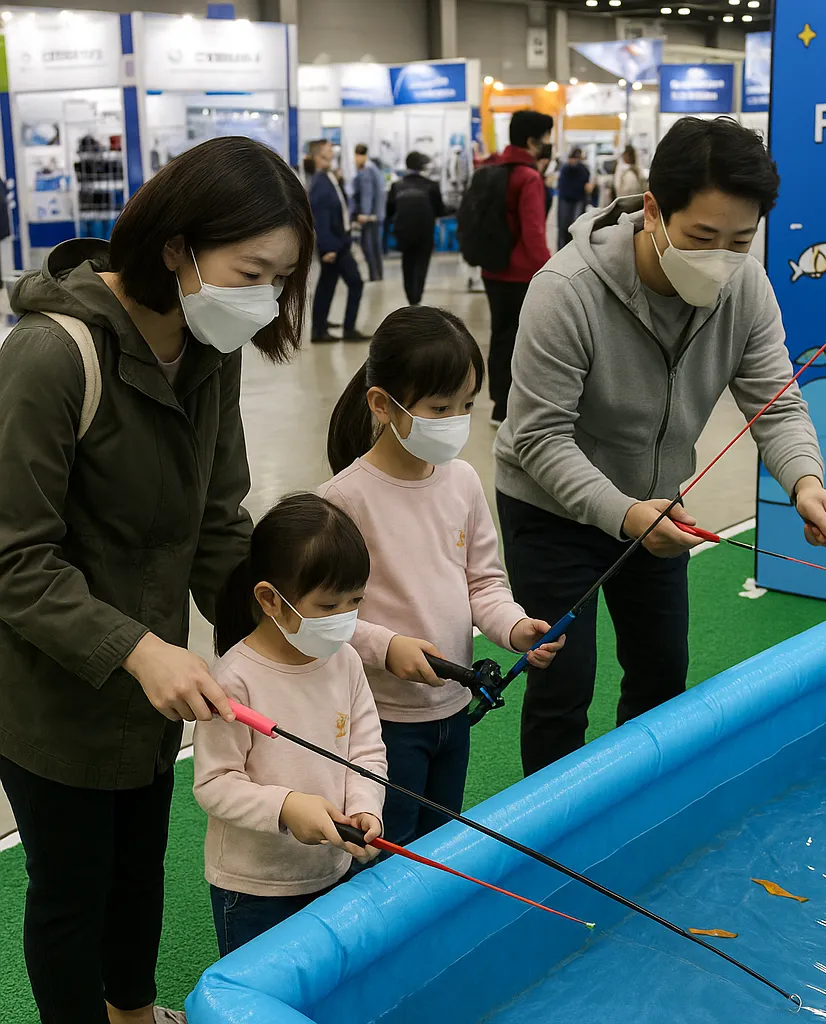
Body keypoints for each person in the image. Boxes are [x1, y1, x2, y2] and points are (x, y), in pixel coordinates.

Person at [0, 136, 314, 1024]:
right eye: (250, 271)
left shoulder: (212, 345)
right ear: (177, 246)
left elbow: (220, 517)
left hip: (156, 683)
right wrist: (137, 650)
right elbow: (14, 559)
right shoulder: (52, 357)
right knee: (71, 888)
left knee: (140, 862)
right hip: (50, 694)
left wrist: (280, 636)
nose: (263, 301)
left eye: (279, 281)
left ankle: (134, 1012)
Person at [494, 116, 826, 777]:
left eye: (740, 241)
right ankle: (548, 856)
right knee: (562, 686)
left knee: (662, 675)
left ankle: (640, 814)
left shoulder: (746, 288)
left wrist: (806, 484)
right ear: (654, 211)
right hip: (551, 508)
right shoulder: (566, 291)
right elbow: (537, 436)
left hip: (661, 511)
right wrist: (624, 513)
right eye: (701, 237)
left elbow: (776, 403)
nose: (721, 257)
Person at [321, 306, 563, 847]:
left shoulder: (464, 482)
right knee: (385, 852)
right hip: (380, 720)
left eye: (467, 405)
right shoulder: (343, 501)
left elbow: (484, 584)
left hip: (452, 708)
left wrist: (516, 627)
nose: (457, 419)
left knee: (438, 843)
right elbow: (323, 617)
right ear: (383, 405)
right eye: (439, 407)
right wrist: (388, 647)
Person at [193, 493, 387, 956]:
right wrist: (286, 807)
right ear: (270, 600)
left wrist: (366, 805)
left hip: (334, 871)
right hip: (254, 889)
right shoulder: (235, 680)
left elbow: (366, 750)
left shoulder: (346, 661)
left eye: (354, 602)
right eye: (327, 606)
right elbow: (214, 783)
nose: (343, 620)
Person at [483, 109, 553, 427]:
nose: (549, 144)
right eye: (547, 138)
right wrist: (551, 272)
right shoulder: (528, 177)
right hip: (522, 274)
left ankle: (499, 405)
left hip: (492, 268)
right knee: (522, 341)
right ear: (531, 141)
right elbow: (534, 232)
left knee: (500, 336)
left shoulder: (491, 167)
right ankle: (514, 407)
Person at [307, 139, 366, 343]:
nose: (332, 152)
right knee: (355, 282)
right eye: (327, 150)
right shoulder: (319, 182)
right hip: (334, 245)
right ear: (317, 156)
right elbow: (320, 218)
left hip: (338, 242)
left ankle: (319, 327)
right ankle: (348, 329)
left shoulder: (328, 177)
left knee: (327, 284)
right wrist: (328, 247)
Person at [387, 152, 446, 306]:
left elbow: (389, 210)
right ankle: (417, 298)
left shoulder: (396, 186)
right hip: (424, 231)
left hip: (403, 231)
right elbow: (440, 210)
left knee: (407, 264)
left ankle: (411, 299)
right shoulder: (432, 186)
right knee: (421, 265)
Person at [351, 144, 386, 282]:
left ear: (360, 156)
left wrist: (364, 213)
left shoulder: (366, 171)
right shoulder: (374, 169)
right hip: (376, 215)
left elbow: (367, 194)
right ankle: (378, 273)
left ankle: (374, 274)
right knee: (376, 245)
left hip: (369, 216)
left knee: (368, 245)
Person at [556, 147, 594, 250]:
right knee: (567, 227)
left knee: (571, 227)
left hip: (574, 200)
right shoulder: (569, 168)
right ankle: (566, 249)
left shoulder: (574, 168)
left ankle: (569, 249)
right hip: (571, 200)